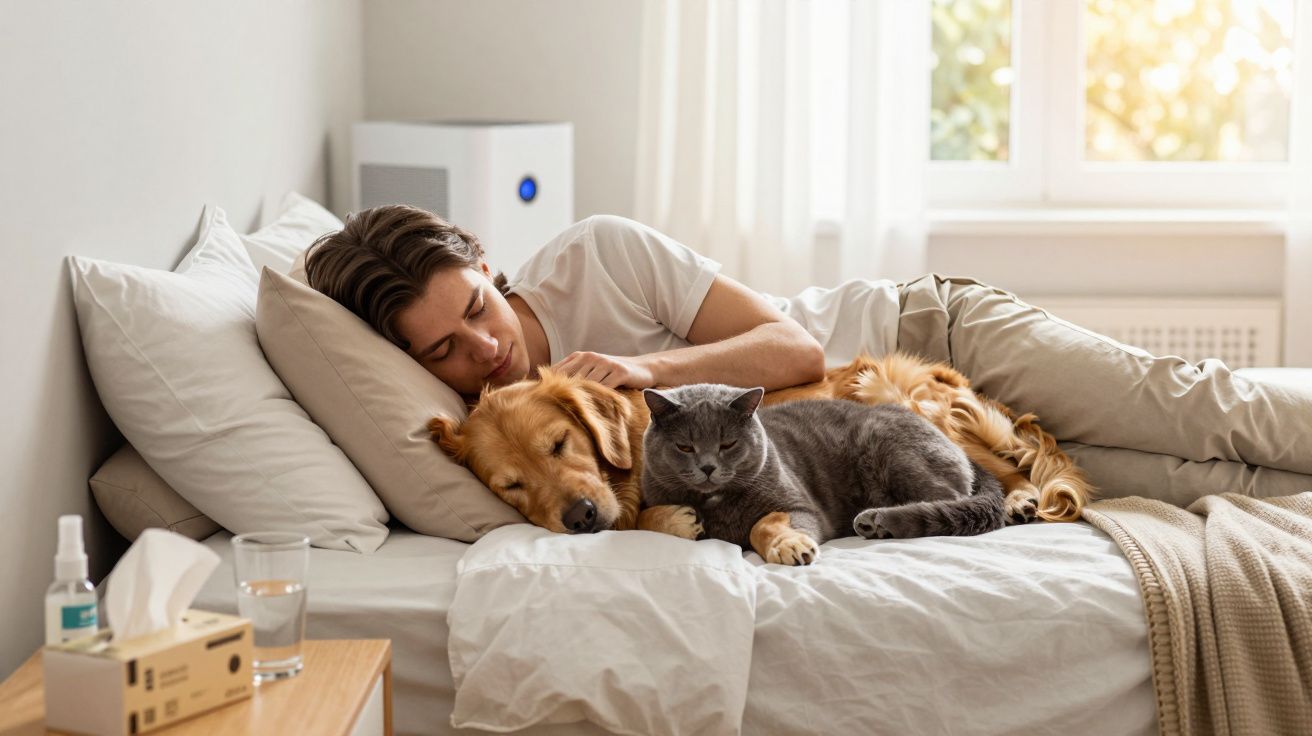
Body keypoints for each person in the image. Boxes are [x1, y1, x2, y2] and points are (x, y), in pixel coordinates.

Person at [305, 205, 1312, 506]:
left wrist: (649, 374)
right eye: (444, 347)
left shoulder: (595, 257)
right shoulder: (516, 433)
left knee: (1200, 405)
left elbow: (795, 344)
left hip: (919, 336)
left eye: (477, 308)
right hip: (889, 434)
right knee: (1177, 485)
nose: (485, 348)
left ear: (485, 262)